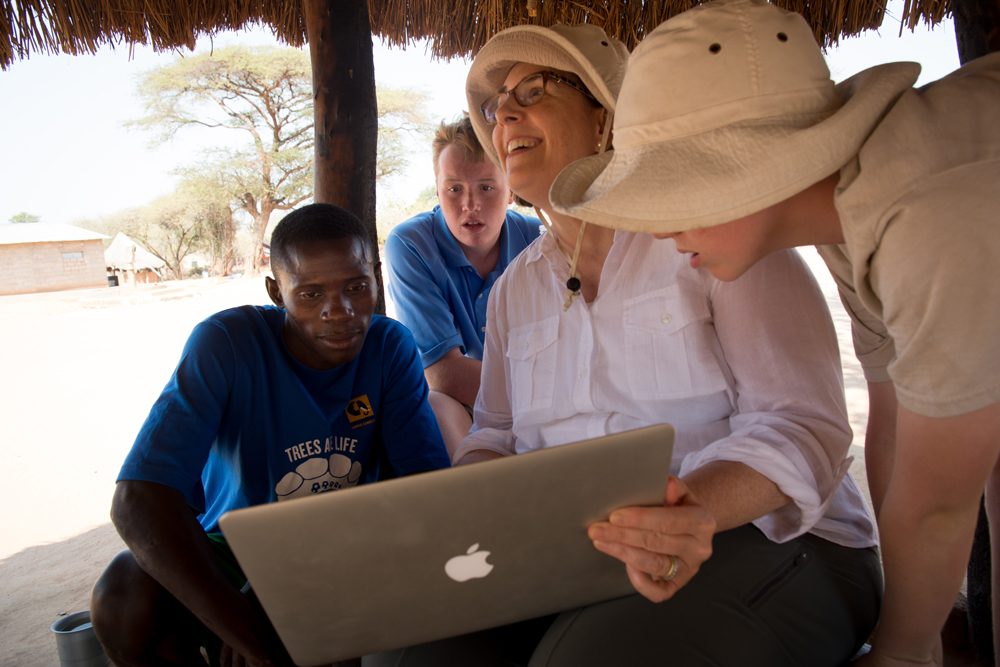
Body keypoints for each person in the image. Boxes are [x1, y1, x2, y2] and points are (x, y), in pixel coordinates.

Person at [367, 23, 881, 667]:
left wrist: (692, 509)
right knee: (406, 655)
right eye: (498, 106)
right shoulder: (514, 292)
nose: (506, 115)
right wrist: (465, 505)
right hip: (577, 554)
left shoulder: (716, 234)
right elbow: (495, 433)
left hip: (775, 538)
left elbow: (805, 427)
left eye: (535, 88)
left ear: (607, 117)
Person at [548, 1, 1000, 665]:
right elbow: (896, 423)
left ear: (758, 167)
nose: (658, 228)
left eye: (672, 192)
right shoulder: (853, 218)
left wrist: (903, 650)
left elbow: (939, 501)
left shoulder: (926, 221)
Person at [90, 203, 451, 667]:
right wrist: (245, 625)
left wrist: (287, 590)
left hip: (349, 545)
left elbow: (426, 492)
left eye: (356, 287)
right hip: (232, 549)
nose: (338, 312)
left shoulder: (390, 348)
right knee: (123, 594)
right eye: (310, 294)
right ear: (276, 292)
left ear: (377, 277)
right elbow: (138, 500)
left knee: (319, 626)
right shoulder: (226, 344)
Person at [386, 114, 539, 456]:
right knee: (435, 403)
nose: (470, 205)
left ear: (510, 189)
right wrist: (542, 397)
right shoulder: (411, 244)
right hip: (482, 401)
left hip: (538, 398)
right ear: (437, 189)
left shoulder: (536, 240)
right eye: (454, 189)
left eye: (486, 187)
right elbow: (443, 373)